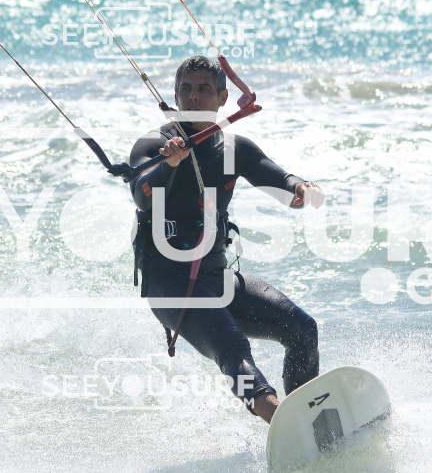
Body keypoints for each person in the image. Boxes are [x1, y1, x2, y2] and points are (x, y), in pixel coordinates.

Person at [128, 56, 326, 423]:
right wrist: (169, 165)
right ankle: (283, 423)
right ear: (175, 95)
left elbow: (282, 183)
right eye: (186, 89)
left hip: (217, 276)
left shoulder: (235, 149)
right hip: (169, 283)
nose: (193, 96)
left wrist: (301, 189)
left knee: (302, 329)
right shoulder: (155, 145)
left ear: (222, 98)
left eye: (204, 89)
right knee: (233, 346)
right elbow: (142, 195)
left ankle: (310, 420)